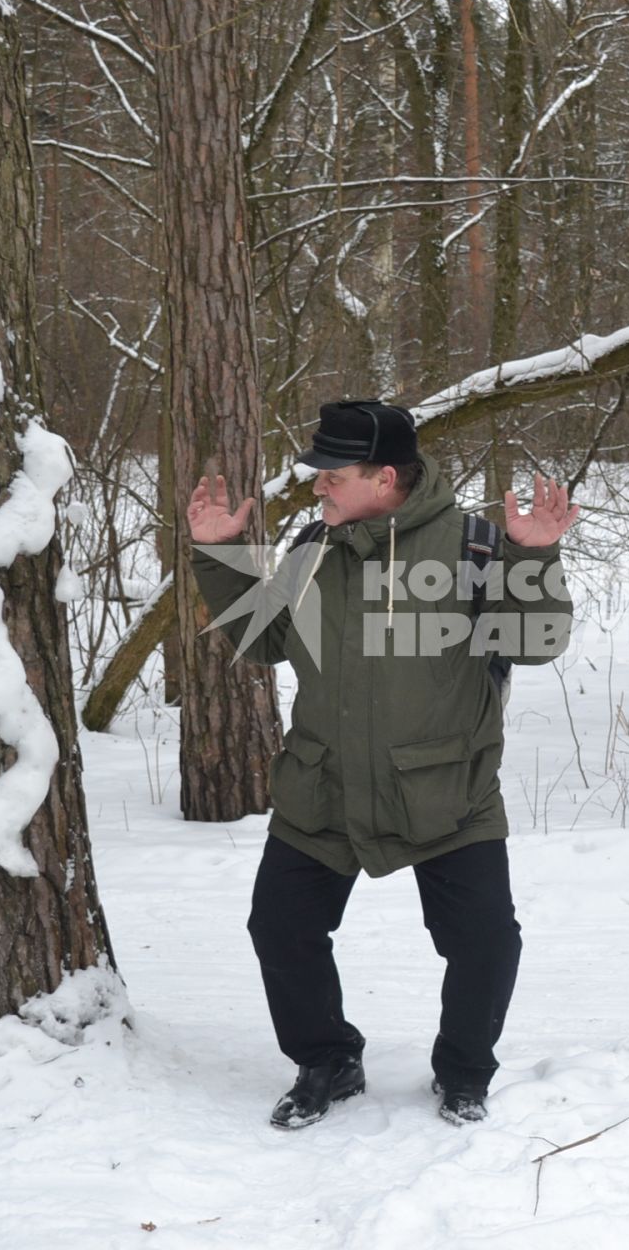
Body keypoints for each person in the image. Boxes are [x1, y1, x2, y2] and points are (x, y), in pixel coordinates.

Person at [186, 400, 579, 1129]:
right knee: (280, 928)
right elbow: (266, 641)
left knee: (485, 942)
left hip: (446, 790)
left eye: (331, 476)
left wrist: (533, 556)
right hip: (323, 785)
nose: (316, 488)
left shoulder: (475, 548)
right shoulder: (314, 549)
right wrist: (219, 557)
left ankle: (464, 1073)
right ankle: (327, 1059)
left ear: (386, 477)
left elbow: (535, 643)